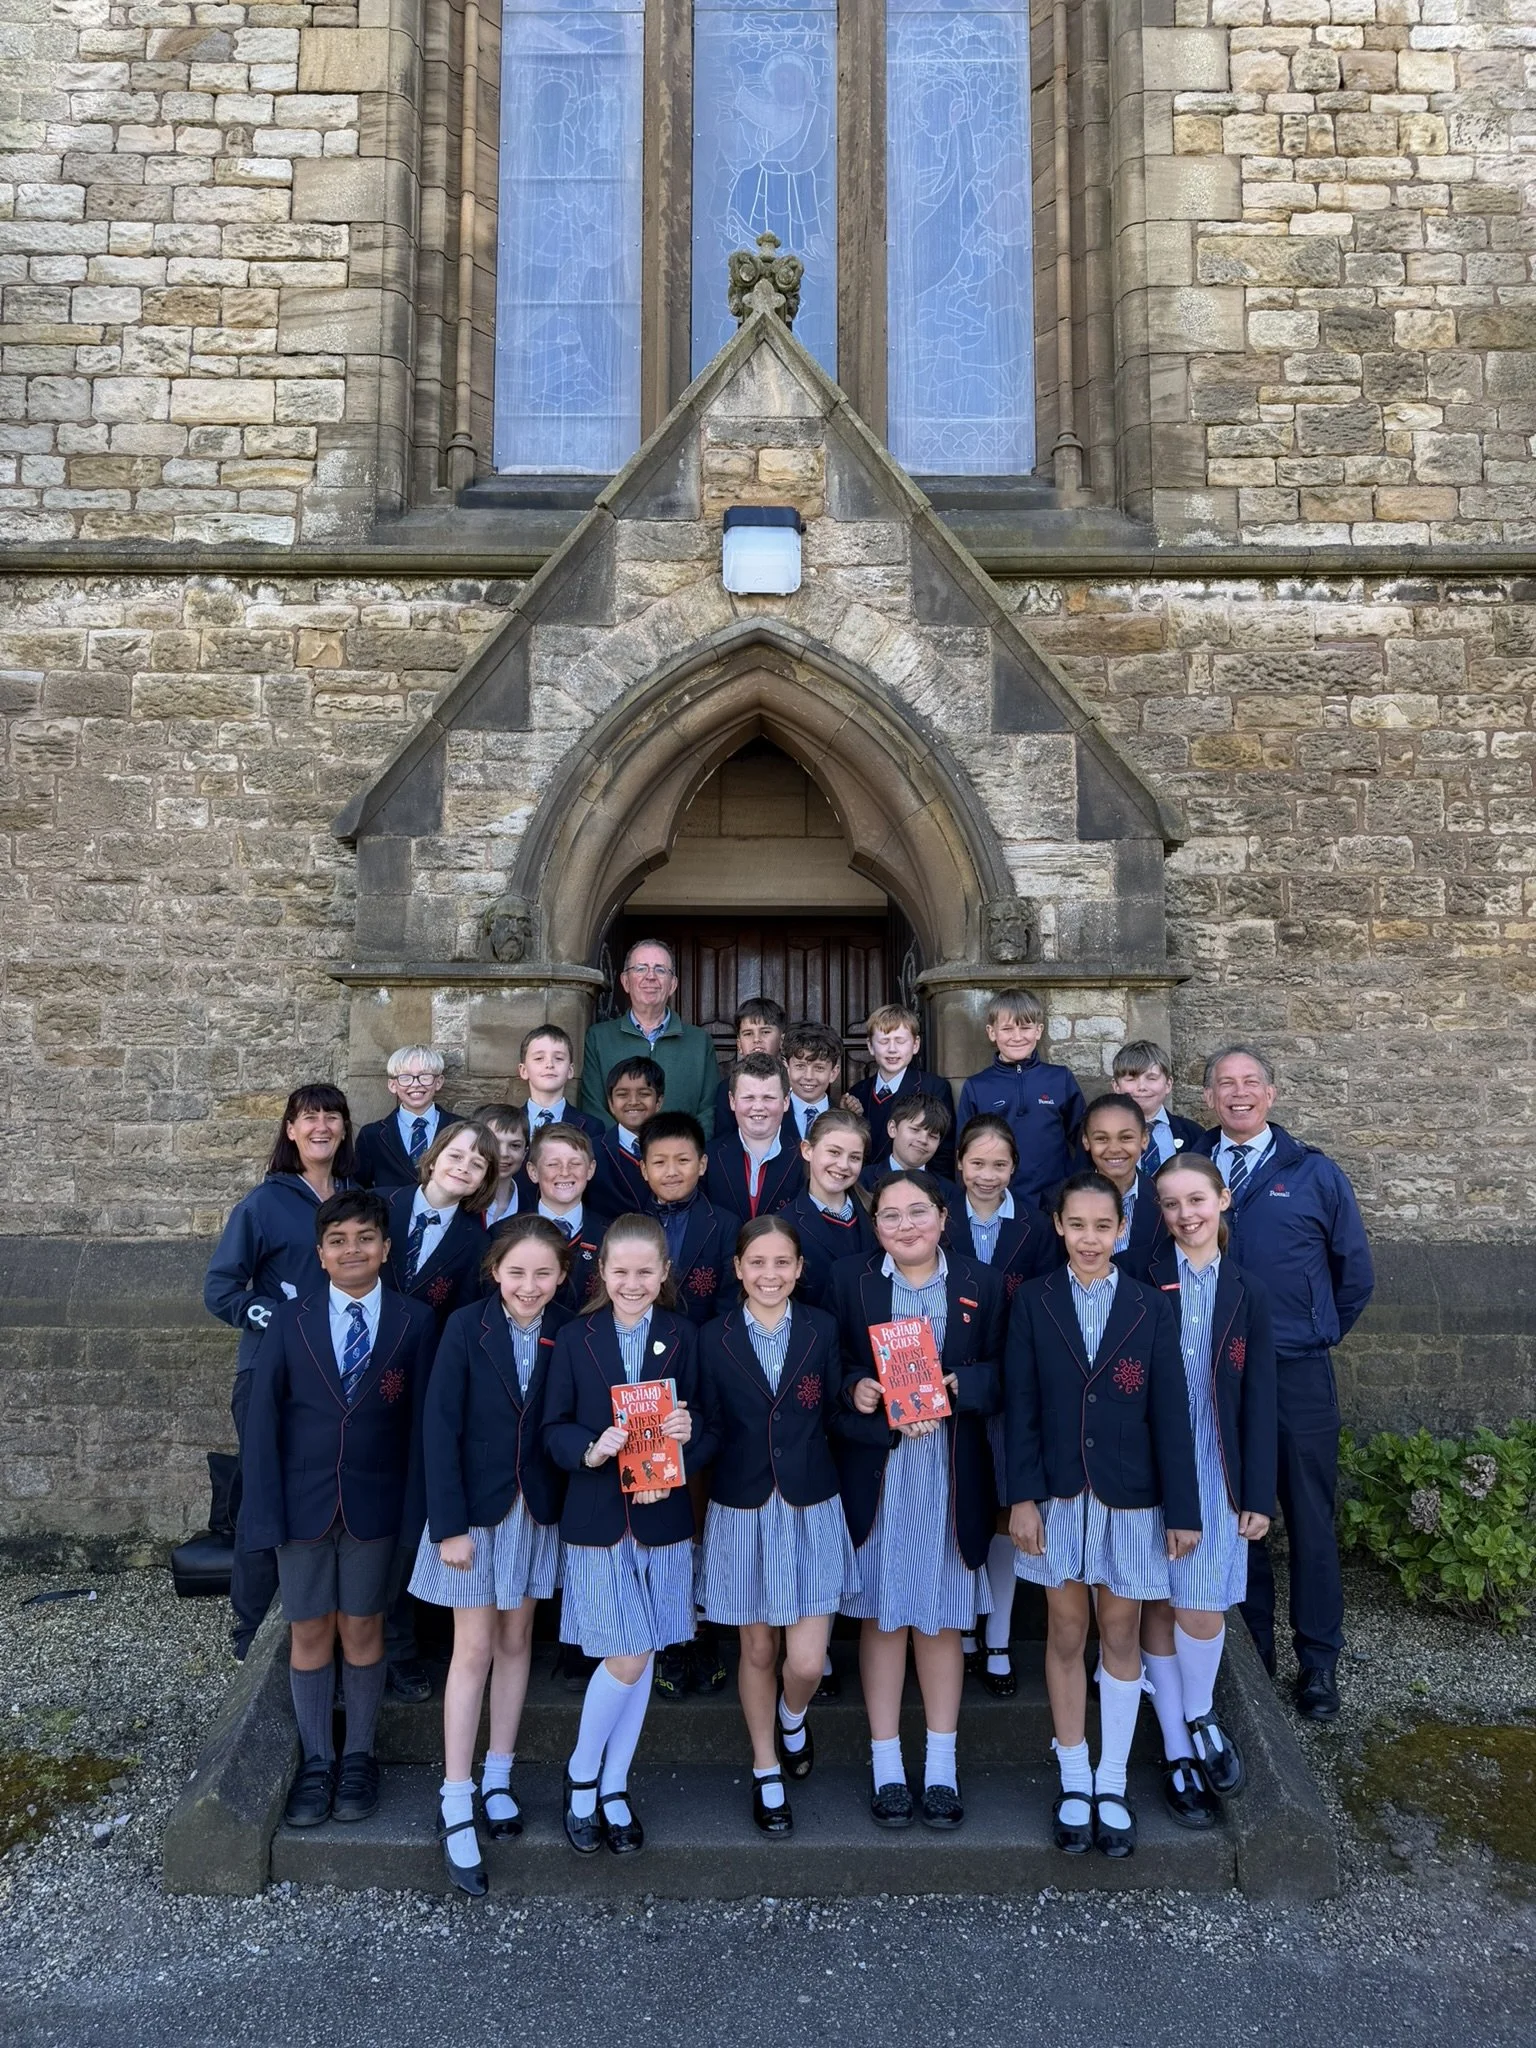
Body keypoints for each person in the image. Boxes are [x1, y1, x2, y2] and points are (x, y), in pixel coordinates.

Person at [1004, 1171, 1200, 1858]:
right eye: (1077, 1225)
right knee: (1065, 1630)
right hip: (1057, 1496)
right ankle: (1074, 1775)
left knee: (1119, 1632)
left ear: (1121, 1231)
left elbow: (1170, 1414)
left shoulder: (1150, 1308)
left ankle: (1112, 1780)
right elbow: (1020, 1407)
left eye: (1102, 1227)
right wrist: (1021, 1496)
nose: (1089, 1239)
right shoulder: (1034, 1302)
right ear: (1059, 1226)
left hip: (1131, 1497)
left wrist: (1184, 1509)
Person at [241, 1189, 436, 1831]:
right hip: (301, 1506)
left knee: (362, 1629)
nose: (351, 1249)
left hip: (376, 1508)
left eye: (364, 1238)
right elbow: (263, 1421)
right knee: (309, 1631)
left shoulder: (414, 1322)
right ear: (320, 1254)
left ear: (385, 1248)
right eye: (337, 1240)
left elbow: (421, 1427)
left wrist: (416, 1516)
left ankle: (359, 1753)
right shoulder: (291, 1323)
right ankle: (317, 1758)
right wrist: (263, 1513)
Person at [1197, 1044, 1374, 1721]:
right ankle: (1253, 1656)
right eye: (1225, 1084)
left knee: (1308, 1519)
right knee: (1239, 1518)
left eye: (1250, 1083)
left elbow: (1352, 1273)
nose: (1238, 1094)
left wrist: (1313, 1331)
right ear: (1208, 1097)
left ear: (1269, 1093)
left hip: (1297, 1372)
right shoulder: (1191, 1167)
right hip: (1221, 1376)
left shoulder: (1313, 1174)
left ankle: (1319, 1664)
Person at [830, 1170, 1006, 1831]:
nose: (906, 1225)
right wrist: (860, 1391)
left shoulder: (979, 1285)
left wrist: (966, 1383)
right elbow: (836, 1365)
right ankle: (885, 1766)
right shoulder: (853, 1281)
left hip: (950, 1471)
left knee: (939, 1622)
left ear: (943, 1215)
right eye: (891, 1216)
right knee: (882, 1617)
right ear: (874, 1226)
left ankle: (940, 1766)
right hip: (883, 1471)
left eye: (918, 1212)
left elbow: (1004, 1371)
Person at [409, 1217, 574, 1894]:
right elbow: (439, 1426)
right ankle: (456, 1791)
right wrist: (448, 1525)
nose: (529, 1286)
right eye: (517, 1272)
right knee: (472, 1648)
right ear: (494, 1272)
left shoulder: (570, 1329)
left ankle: (499, 1775)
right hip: (474, 1518)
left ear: (562, 1276)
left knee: (515, 1640)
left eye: (543, 1273)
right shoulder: (465, 1327)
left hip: (534, 1512)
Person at [541, 1215, 712, 1856]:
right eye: (621, 1272)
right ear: (602, 1273)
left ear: (664, 1273)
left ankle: (614, 1785)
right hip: (600, 1518)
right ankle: (583, 1774)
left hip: (662, 1516)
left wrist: (687, 1441)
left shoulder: (682, 1335)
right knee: (629, 1654)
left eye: (646, 1271)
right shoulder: (575, 1336)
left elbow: (711, 1424)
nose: (633, 1282)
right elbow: (552, 1428)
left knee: (637, 1657)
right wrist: (590, 1449)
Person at [698, 1217, 854, 1834]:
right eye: (756, 1263)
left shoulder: (821, 1329)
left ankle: (793, 1716)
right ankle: (766, 1768)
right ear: (737, 1268)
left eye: (781, 1263)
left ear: (798, 1269)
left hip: (811, 1507)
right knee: (758, 1646)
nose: (769, 1274)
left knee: (808, 1661)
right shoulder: (711, 1337)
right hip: (741, 1508)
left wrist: (872, 1401)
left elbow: (837, 1407)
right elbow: (708, 1423)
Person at [1140, 1155, 1278, 1830]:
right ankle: (1177, 1746)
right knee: (1159, 1605)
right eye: (1171, 1204)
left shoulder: (1248, 1290)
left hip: (1218, 1467)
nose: (1186, 1214)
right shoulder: (1142, 1281)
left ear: (1223, 1199)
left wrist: (1258, 1491)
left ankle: (1199, 1713)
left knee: (1201, 1607)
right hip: (1154, 1468)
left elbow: (1260, 1398)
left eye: (1197, 1199)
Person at [203, 1082, 355, 1660]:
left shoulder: (358, 1198)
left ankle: (321, 1623)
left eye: (332, 1116)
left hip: (345, 1381)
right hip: (271, 1375)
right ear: (291, 1130)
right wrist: (281, 1318)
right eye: (308, 1117)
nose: (321, 1126)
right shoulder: (263, 1204)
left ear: (344, 1129)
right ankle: (250, 1633)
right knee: (266, 1501)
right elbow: (220, 1289)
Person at [944, 1113, 1060, 1698]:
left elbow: (1041, 1306)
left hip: (1014, 1386)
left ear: (1015, 1168)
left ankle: (998, 1636)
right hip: (953, 1384)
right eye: (977, 1163)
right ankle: (962, 1628)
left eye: (999, 1165)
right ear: (959, 1164)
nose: (987, 1175)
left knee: (1005, 1518)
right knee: (963, 1505)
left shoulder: (1037, 1230)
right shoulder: (939, 1221)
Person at [955, 990, 1086, 1206]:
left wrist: (1076, 1186)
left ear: (1038, 1030)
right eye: (1007, 1029)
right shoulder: (977, 1086)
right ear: (992, 1032)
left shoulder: (1060, 1078)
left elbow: (1083, 1138)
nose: (1017, 1037)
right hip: (998, 1199)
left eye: (1025, 1028)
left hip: (1055, 1199)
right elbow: (964, 1149)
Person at [578, 939, 719, 1135]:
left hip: (680, 1160)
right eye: (641, 968)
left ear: (673, 985)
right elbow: (593, 1108)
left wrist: (679, 1149)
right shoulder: (599, 1038)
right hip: (616, 1160)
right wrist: (629, 1148)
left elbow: (710, 1110)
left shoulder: (700, 1042)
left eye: (660, 970)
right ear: (626, 982)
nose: (650, 976)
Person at [382, 1122, 498, 1335]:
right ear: (434, 1159)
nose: (463, 1167)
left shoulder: (478, 1243)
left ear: (483, 1182)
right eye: (455, 1156)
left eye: (477, 1165)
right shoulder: (376, 1204)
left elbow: (463, 1313)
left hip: (423, 1353)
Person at [637, 1112, 732, 1327]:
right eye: (659, 1162)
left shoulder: (725, 1226)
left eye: (683, 1160)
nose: (671, 1172)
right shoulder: (630, 1226)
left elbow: (729, 1301)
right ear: (644, 1169)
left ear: (702, 1164)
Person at [782, 1108, 876, 1311]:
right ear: (807, 1150)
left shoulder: (878, 1214)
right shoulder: (784, 1225)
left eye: (855, 1157)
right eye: (834, 1152)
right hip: (818, 1339)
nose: (843, 1165)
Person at [844, 1003, 955, 1175]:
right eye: (884, 1041)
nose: (892, 1049)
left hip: (916, 1184)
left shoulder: (934, 1087)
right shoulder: (858, 1092)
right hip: (865, 1187)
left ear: (915, 1044)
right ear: (871, 1046)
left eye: (900, 1041)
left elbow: (943, 1150)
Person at [705, 1052, 804, 1220]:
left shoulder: (806, 1159)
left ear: (786, 1101)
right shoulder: (708, 1156)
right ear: (732, 1101)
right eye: (749, 1097)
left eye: (768, 1098)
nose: (758, 1107)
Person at [1077, 1091, 1168, 1272]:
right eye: (1102, 1139)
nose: (1114, 1149)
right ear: (1086, 1141)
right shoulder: (1058, 1200)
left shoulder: (1164, 1201)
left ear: (1144, 1139)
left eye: (1126, 1137)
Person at [525, 1124, 609, 1312]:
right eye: (553, 1164)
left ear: (590, 1169)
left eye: (575, 1163)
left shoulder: (610, 1235)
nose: (564, 1172)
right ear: (533, 1172)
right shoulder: (504, 1234)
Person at [353, 1046, 462, 1190]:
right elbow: (360, 1187)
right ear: (393, 1085)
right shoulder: (372, 1135)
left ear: (439, 1082)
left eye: (425, 1076)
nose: (416, 1084)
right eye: (405, 1077)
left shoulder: (461, 1128)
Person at [1111, 1039, 1203, 1172]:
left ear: (1168, 1084)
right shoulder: (1099, 1135)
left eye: (1152, 1078)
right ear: (1116, 1086)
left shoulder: (1193, 1133)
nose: (1141, 1087)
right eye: (1131, 1079)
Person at [591, 1056, 665, 1216]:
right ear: (611, 1104)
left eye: (644, 1094)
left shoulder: (674, 1149)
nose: (633, 1102)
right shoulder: (592, 1152)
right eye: (622, 1094)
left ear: (659, 1102)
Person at [859, 1093, 959, 1211]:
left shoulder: (949, 1192)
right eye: (915, 1130)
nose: (923, 1140)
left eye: (933, 1136)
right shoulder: (862, 1180)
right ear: (892, 1129)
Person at [711, 997, 789, 1136]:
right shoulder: (725, 1089)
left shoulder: (795, 1084)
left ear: (781, 1041)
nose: (757, 1039)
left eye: (765, 1032)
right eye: (748, 1033)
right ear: (739, 1045)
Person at [518, 1025, 605, 1145]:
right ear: (524, 1071)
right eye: (539, 1058)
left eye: (558, 1058)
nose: (549, 1064)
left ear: (570, 1071)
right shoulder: (506, 1123)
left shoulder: (592, 1127)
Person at [782, 1021, 845, 1143]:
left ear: (833, 1073)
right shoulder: (772, 1115)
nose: (809, 1076)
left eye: (819, 1068)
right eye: (800, 1066)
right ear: (787, 1068)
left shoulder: (846, 1121)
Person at [470, 1103, 527, 1228]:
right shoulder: (459, 1201)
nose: (504, 1153)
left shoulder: (531, 1209)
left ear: (525, 1152)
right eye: (494, 1143)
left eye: (515, 1145)